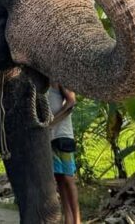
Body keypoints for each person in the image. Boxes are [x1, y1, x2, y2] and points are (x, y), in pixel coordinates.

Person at [49, 84, 80, 224]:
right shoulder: (42, 84)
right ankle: (68, 219)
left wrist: (53, 121)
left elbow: (71, 101)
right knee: (60, 179)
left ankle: (77, 220)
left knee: (68, 179)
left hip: (63, 135)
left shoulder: (60, 79)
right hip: (50, 137)